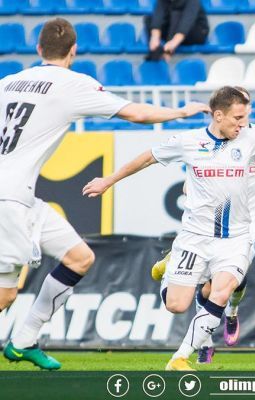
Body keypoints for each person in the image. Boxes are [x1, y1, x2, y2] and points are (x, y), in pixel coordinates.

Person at [0, 18, 209, 371]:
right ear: (74, 51)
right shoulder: (71, 84)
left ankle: (24, 340)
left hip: (23, 197)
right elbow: (137, 113)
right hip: (10, 202)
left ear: (38, 49)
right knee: (5, 294)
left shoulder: (8, 82)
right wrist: (181, 111)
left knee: (79, 257)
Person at [83, 86, 255, 371]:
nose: (242, 124)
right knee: (176, 305)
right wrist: (108, 181)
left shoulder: (253, 139)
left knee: (222, 291)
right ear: (218, 116)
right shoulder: (189, 141)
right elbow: (147, 157)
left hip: (236, 236)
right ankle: (172, 265)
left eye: (245, 117)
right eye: (237, 118)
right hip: (195, 236)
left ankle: (180, 357)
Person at [150, 86, 255, 364]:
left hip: (251, 219)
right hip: (210, 224)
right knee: (207, 287)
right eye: (238, 114)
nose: (242, 118)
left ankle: (232, 314)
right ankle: (205, 343)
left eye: (246, 112)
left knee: (230, 283)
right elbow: (204, 165)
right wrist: (190, 183)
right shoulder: (214, 138)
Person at [145, 0, 209, 61]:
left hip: (197, 31)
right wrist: (155, 38)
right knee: (149, 19)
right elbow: (158, 16)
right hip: (173, 28)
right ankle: (155, 50)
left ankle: (166, 52)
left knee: (176, 13)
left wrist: (173, 44)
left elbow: (187, 21)